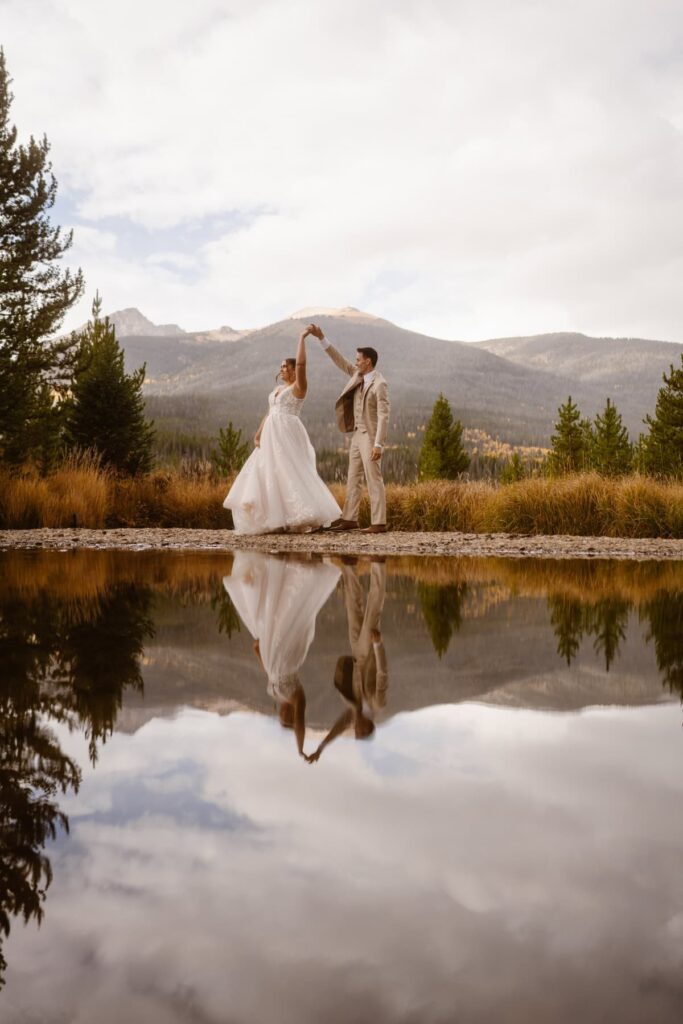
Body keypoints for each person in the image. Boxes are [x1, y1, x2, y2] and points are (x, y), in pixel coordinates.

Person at [223, 551, 341, 759]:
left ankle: (280, 568)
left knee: (276, 610)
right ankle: (302, 566)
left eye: (282, 719)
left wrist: (259, 653)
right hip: (289, 654)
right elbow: (301, 720)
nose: (284, 715)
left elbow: (269, 673)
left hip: (274, 652)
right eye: (289, 719)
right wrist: (301, 748)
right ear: (294, 717)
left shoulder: (275, 693)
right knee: (290, 610)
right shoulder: (297, 697)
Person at [223, 328, 341, 534]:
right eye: (281, 366)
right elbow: (270, 411)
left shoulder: (299, 387)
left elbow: (303, 364)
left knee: (289, 469)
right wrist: (260, 431)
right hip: (271, 433)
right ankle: (274, 518)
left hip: (287, 431)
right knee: (268, 471)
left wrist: (302, 338)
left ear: (294, 369)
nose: (282, 369)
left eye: (286, 366)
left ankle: (299, 515)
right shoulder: (277, 390)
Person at [307, 323, 390, 533]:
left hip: (371, 437)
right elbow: (339, 360)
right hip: (356, 435)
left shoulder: (380, 384)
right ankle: (349, 519)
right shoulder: (357, 374)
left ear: (367, 362)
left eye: (358, 360)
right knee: (353, 477)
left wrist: (379, 443)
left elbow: (383, 416)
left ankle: (379, 522)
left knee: (374, 479)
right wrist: (321, 338)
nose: (355, 362)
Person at [305, 557, 388, 763]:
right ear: (368, 727)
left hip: (355, 652)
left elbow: (338, 727)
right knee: (373, 608)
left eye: (355, 731)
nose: (355, 727)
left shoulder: (354, 712)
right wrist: (378, 645)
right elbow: (382, 674)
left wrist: (321, 749)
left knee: (353, 606)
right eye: (359, 730)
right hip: (369, 650)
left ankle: (350, 566)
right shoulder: (377, 704)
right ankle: (379, 565)